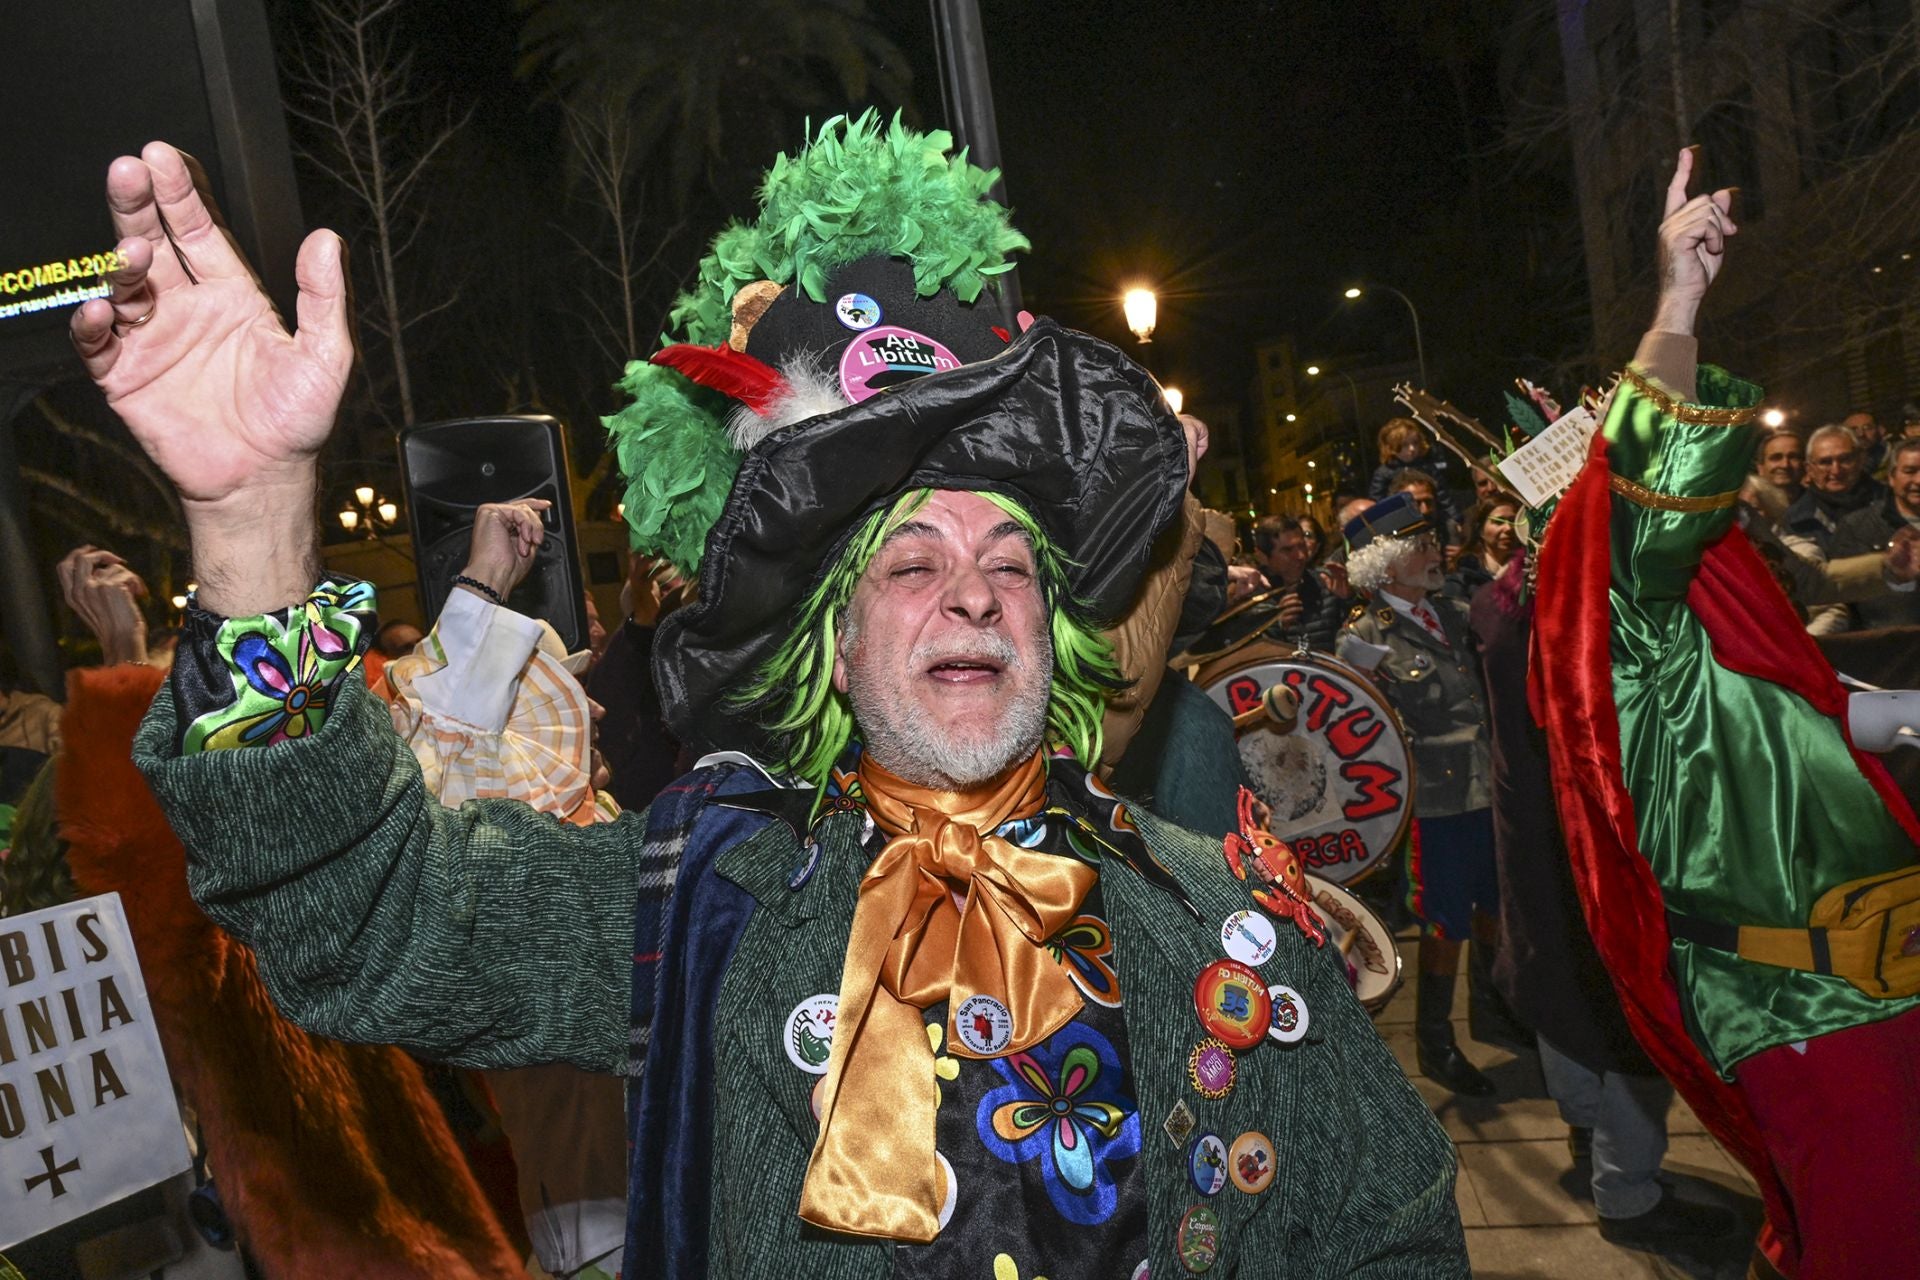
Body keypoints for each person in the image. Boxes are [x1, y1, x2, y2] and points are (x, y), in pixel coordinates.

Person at [82, 128, 1465, 1278]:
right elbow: (361, 910)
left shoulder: (1228, 916)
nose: (973, 595)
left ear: (1054, 627)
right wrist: (255, 531)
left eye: (1008, 566)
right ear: (836, 652)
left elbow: (1395, 1234)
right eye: (911, 564)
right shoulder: (700, 896)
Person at [1533, 145, 1920, 1280]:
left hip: (1883, 978)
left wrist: (1889, 716)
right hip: (1801, 998)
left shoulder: (1705, 614)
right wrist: (1680, 300)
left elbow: (1772, 729)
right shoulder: (1628, 620)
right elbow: (1646, 486)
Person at [1469, 553, 1734, 1252]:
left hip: (1539, 834)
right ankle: (1628, 1194)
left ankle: (1589, 1127)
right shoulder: (1590, 605)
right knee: (1634, 1015)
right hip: (1596, 837)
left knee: (1561, 981)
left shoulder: (1500, 599)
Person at [1338, 494, 1500, 1098]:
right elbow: (1364, 734)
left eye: (1434, 542)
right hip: (1435, 800)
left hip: (1488, 785)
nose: (1438, 553)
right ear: (1385, 564)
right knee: (1444, 920)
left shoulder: (1457, 609)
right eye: (1421, 546)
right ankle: (1436, 1038)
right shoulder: (1362, 637)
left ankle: (1493, 1008)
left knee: (1495, 904)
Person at [1827, 437, 1920, 631]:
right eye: (1910, 471)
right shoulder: (1856, 527)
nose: (1918, 480)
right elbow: (1841, 593)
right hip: (1888, 646)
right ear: (1892, 477)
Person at [1781, 423, 1886, 557]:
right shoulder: (1795, 520)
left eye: (1845, 460)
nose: (1836, 471)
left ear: (1860, 460)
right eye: (1825, 462)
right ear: (1809, 469)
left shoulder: (1894, 502)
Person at [1367, 418, 1461, 520]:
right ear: (1392, 447)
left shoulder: (1427, 468)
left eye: (1415, 443)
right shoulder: (1384, 473)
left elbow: (1443, 495)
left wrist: (1456, 517)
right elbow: (1377, 502)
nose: (1412, 449)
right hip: (1399, 520)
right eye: (1404, 445)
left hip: (1430, 517)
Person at [1448, 496, 1520, 597]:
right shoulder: (1465, 572)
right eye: (1499, 522)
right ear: (1480, 530)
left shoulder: (1528, 570)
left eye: (1513, 521)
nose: (1509, 528)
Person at [1745, 427, 1805, 524]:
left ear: (1804, 464)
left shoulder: (1820, 507)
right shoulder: (1745, 508)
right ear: (1760, 467)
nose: (1785, 465)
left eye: (1793, 457)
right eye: (1776, 458)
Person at [1841, 410, 1886, 475]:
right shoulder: (1838, 465)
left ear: (1880, 430)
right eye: (1853, 430)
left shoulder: (1894, 458)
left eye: (1867, 428)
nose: (1861, 434)